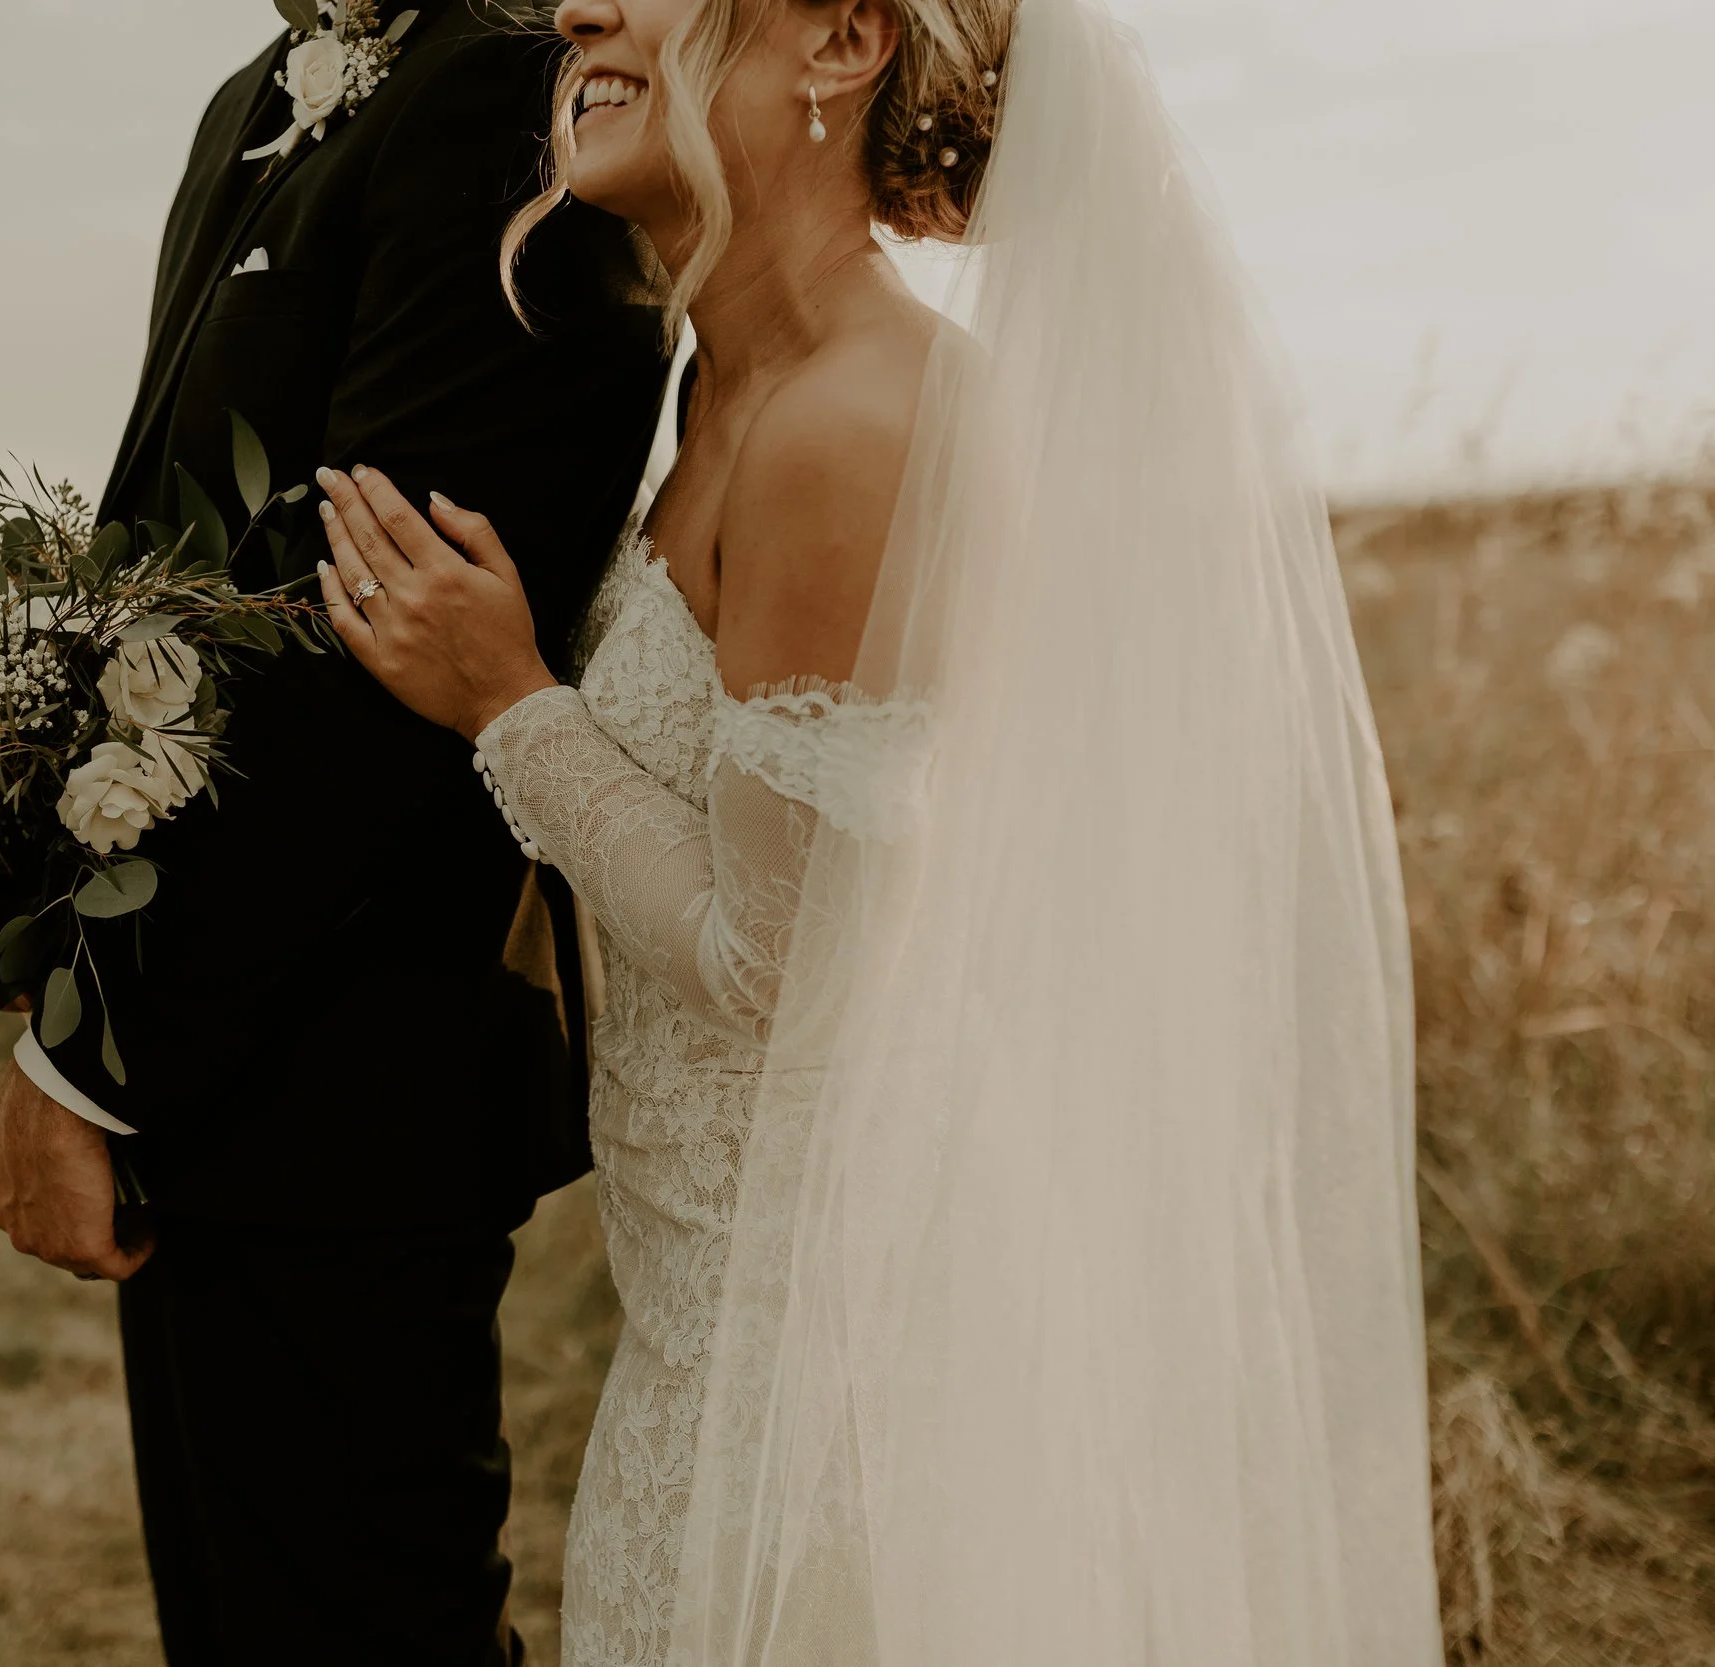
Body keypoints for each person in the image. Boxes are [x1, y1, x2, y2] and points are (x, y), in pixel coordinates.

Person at [314, 0, 1447, 1662]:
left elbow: (780, 966)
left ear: (841, 43)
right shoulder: (719, 382)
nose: (575, 8)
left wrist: (509, 707)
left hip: (844, 1386)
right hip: (711, 1332)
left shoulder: (859, 423)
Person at [0, 2, 669, 1663]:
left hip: (359, 1060)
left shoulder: (524, 92)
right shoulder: (249, 101)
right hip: (215, 1068)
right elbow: (172, 566)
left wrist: (90, 1056)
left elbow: (372, 663)